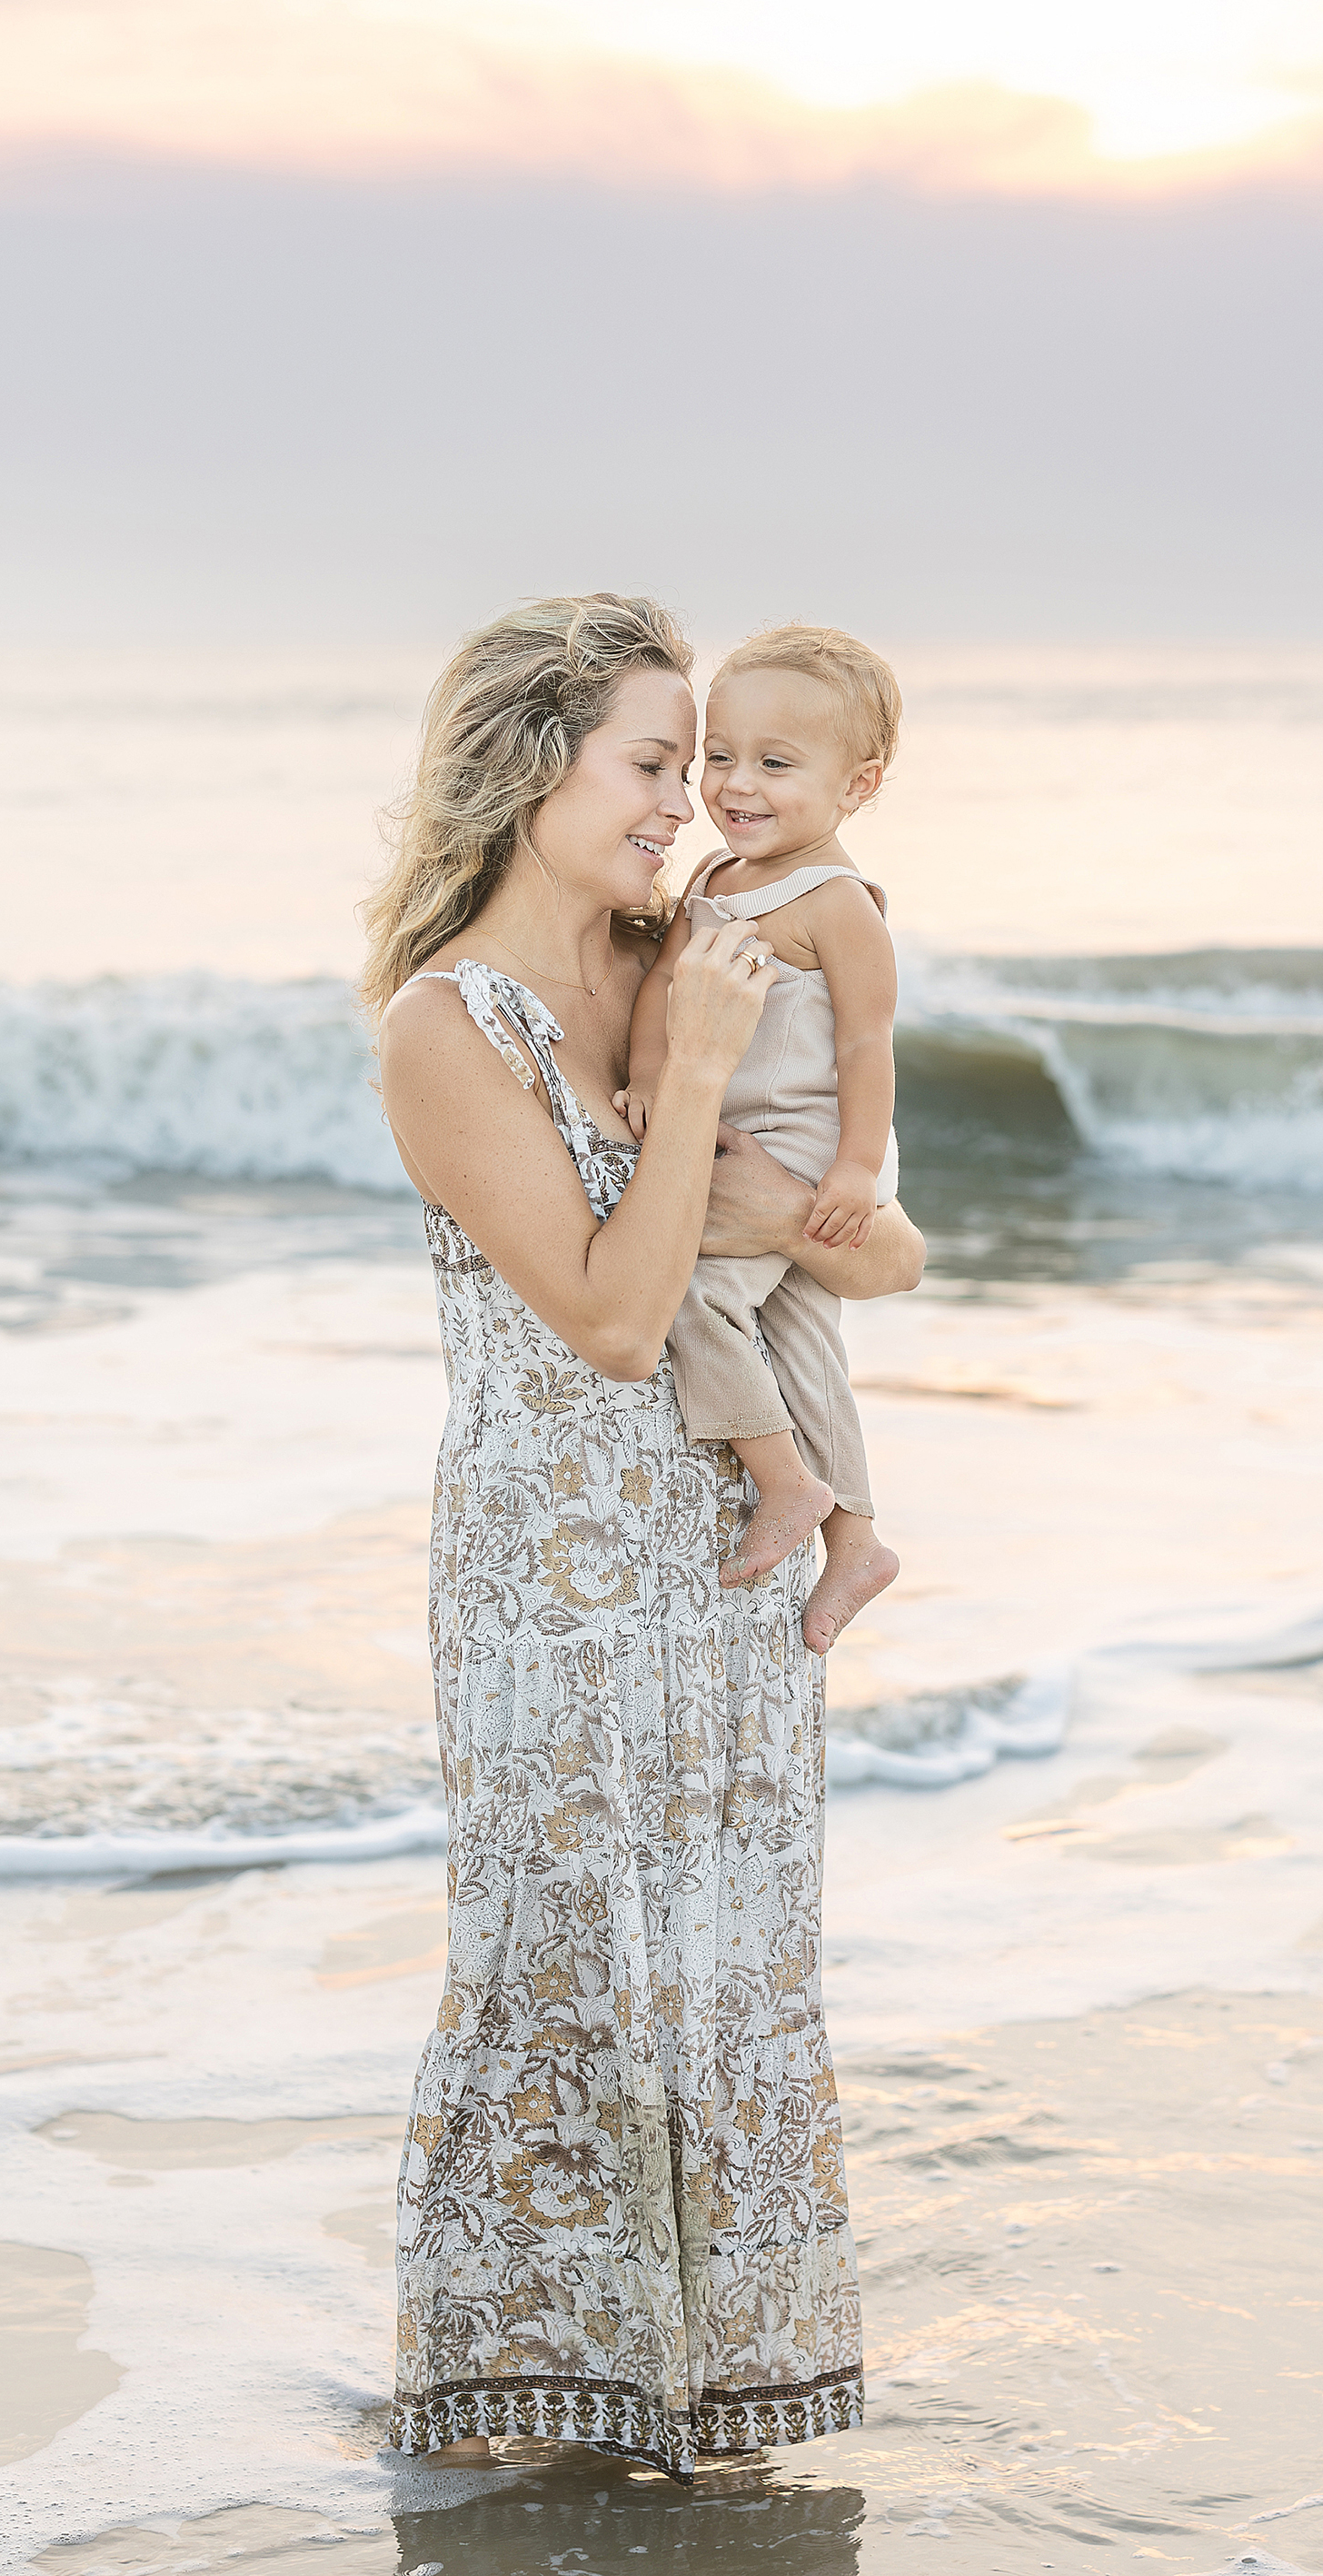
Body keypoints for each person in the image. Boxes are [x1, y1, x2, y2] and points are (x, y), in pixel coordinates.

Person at [361, 592, 924, 2473]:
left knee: (732, 1964)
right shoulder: (449, 1028)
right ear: (535, 768)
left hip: (736, 1562)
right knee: (567, 1959)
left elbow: (897, 1251)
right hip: (556, 1581)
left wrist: (795, 1189)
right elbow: (610, 1318)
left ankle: (715, 2396)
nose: (690, 802)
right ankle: (531, 2413)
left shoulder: (695, 946)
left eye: (699, 764)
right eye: (651, 763)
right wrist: (692, 1095)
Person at [616, 624, 902, 1659]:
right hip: (744, 1132)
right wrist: (650, 1072)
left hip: (816, 1148)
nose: (737, 786)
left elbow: (870, 1046)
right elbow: (665, 988)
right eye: (718, 759)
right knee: (803, 1343)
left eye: (776, 765)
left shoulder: (835, 904)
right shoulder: (711, 877)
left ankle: (785, 1484)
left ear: (856, 784)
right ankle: (858, 1539)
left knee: (696, 1297)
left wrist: (857, 1170)